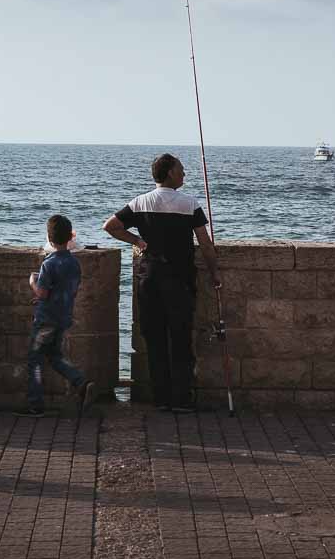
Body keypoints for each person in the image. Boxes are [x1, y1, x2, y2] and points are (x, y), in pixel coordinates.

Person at [103, 153, 220, 415]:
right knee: (180, 339)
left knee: (154, 339)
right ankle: (181, 399)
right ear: (169, 173)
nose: (184, 173)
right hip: (179, 279)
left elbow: (110, 226)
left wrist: (137, 241)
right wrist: (214, 273)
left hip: (150, 279)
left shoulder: (140, 202)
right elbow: (205, 244)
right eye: (180, 169)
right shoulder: (189, 204)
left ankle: (161, 398)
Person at [21, 215, 95, 418]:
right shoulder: (74, 263)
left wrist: (32, 282)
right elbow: (66, 289)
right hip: (63, 316)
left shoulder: (49, 263)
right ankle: (81, 382)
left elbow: (42, 292)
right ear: (71, 236)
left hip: (46, 319)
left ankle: (35, 404)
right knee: (54, 356)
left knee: (34, 359)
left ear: (49, 238)